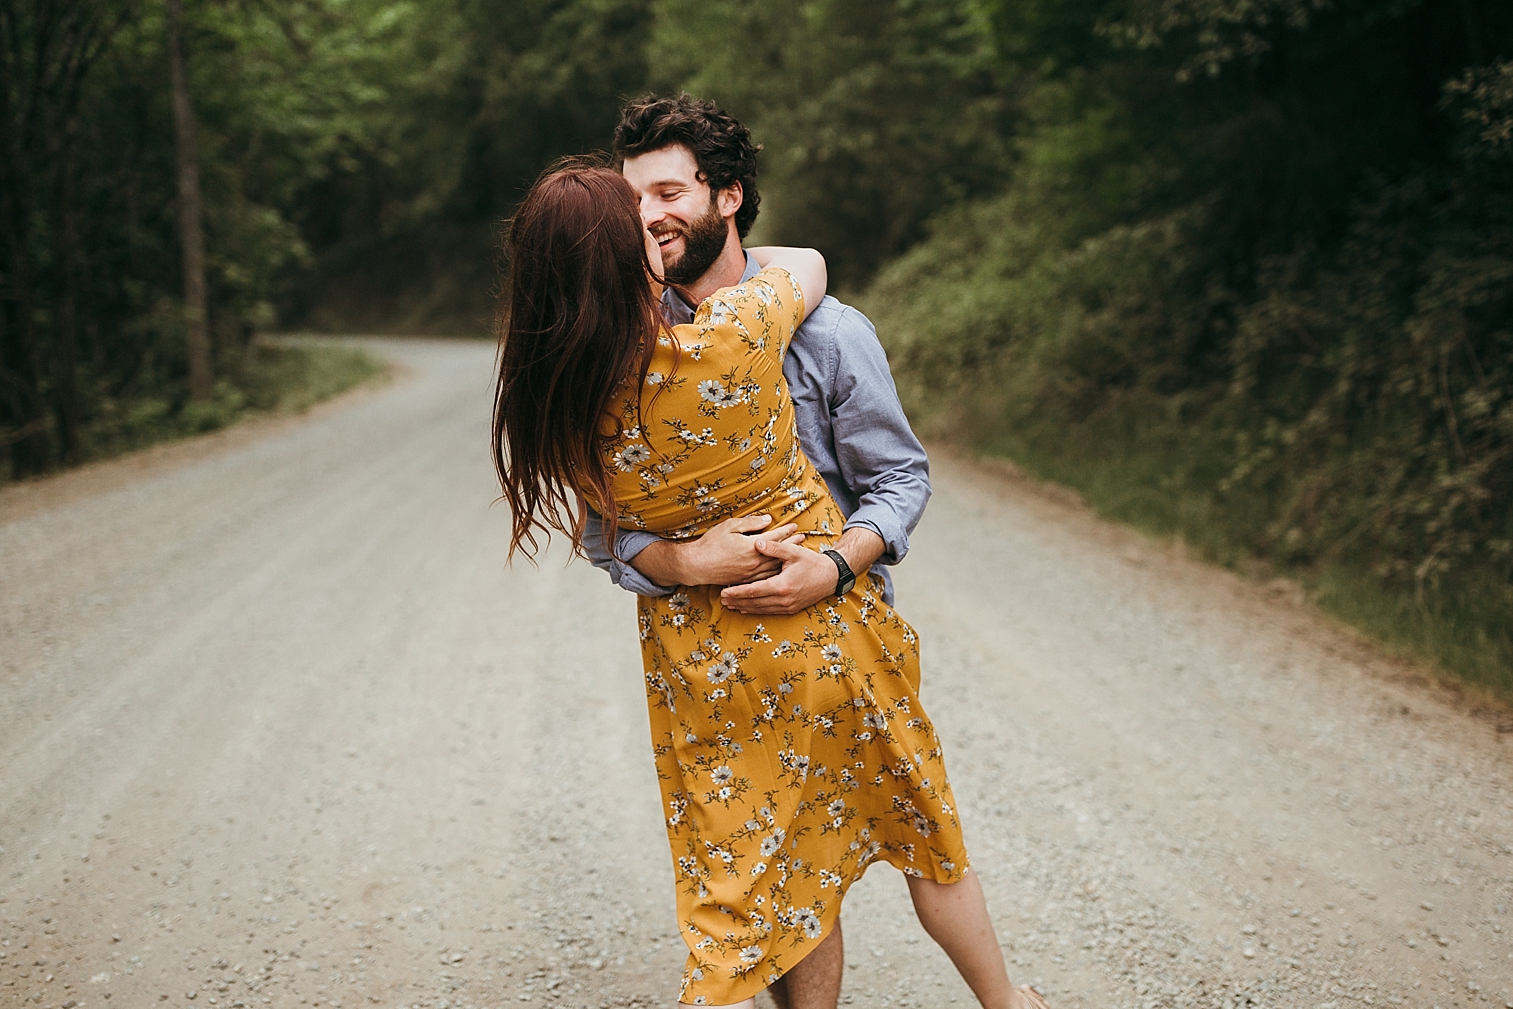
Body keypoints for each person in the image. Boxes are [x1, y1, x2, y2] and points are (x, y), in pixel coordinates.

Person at [491, 159, 1049, 1009]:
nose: (656, 222)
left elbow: (601, 532)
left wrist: (681, 563)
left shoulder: (558, 397)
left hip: (704, 668)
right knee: (924, 832)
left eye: (663, 199)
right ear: (625, 257)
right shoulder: (732, 333)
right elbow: (807, 261)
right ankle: (1011, 1004)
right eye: (638, 220)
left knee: (743, 889)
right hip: (831, 645)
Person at [580, 92, 930, 1009]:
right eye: (633, 199)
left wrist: (840, 559)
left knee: (824, 854)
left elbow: (900, 481)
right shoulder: (618, 341)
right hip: (697, 662)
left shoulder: (829, 332)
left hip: (830, 636)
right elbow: (599, 524)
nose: (649, 215)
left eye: (668, 190)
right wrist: (682, 562)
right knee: (755, 871)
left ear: (726, 195)